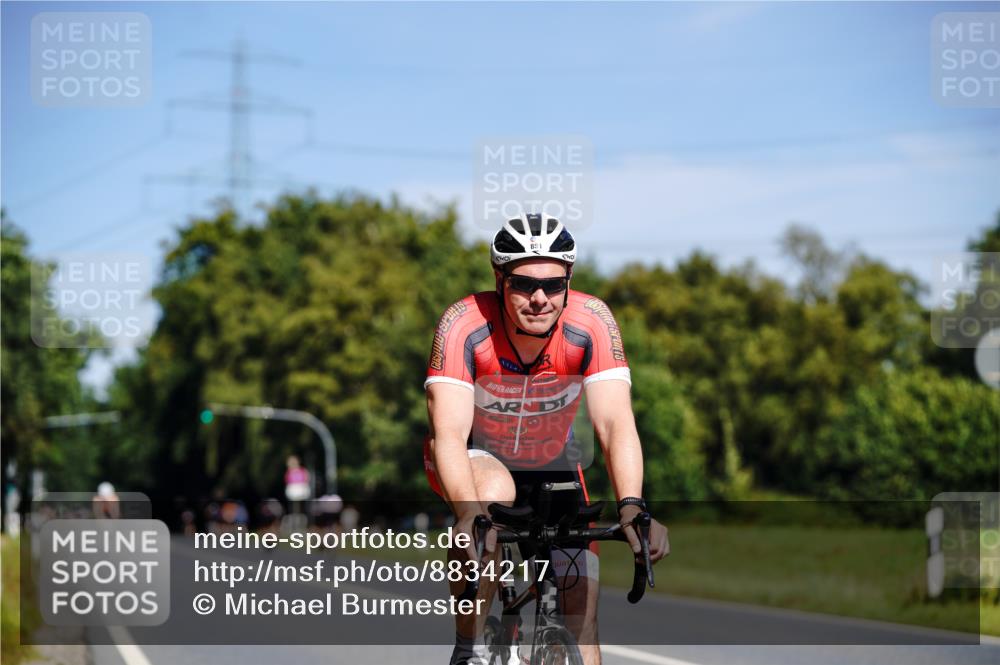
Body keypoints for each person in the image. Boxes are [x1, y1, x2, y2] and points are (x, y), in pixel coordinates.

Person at [424, 213, 670, 665]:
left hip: (552, 460)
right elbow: (449, 434)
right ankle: (469, 646)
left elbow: (615, 424)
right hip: (474, 458)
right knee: (488, 506)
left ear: (569, 280)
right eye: (523, 284)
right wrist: (467, 514)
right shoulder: (464, 323)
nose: (540, 299)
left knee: (582, 611)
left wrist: (632, 504)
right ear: (500, 279)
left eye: (554, 285)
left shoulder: (591, 320)